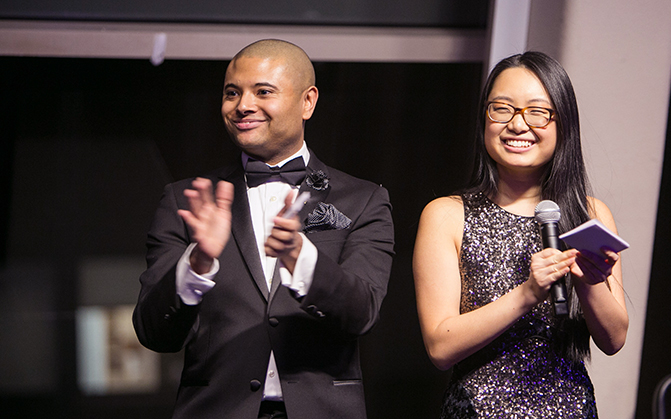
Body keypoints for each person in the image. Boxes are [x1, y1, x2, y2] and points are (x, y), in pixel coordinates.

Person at [133, 39, 394, 419]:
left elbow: (362, 314)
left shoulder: (364, 199)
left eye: (263, 91)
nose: (243, 105)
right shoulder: (186, 200)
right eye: (232, 93)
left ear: (308, 101)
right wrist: (197, 263)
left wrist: (300, 257)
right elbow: (153, 332)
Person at [413, 51, 628, 418]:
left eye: (537, 111)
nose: (517, 124)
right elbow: (439, 346)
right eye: (502, 109)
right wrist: (527, 294)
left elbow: (614, 340)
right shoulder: (446, 214)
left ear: (563, 124)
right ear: (485, 117)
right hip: (477, 410)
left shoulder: (589, 214)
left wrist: (591, 283)